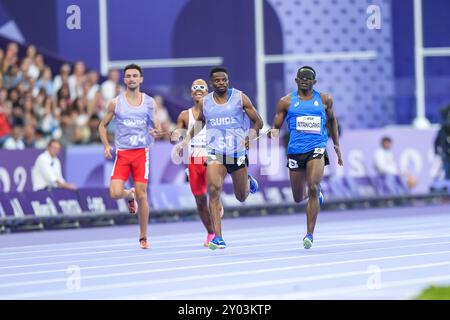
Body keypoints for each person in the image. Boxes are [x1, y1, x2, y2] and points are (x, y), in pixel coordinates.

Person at [177, 67, 263, 250]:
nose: (221, 83)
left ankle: (247, 181)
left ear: (228, 80)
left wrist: (250, 137)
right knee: (213, 191)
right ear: (212, 83)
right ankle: (218, 237)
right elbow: (200, 123)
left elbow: (258, 122)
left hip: (237, 153)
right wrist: (185, 142)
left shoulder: (240, 97)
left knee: (241, 196)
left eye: (224, 80)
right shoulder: (206, 102)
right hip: (215, 153)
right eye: (217, 80)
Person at [268, 66, 343, 249]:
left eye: (308, 78)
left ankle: (309, 234)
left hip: (317, 147)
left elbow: (332, 120)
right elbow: (276, 124)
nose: (304, 80)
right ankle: (315, 196)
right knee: (297, 196)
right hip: (295, 150)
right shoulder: (285, 102)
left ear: (314, 82)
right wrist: (274, 132)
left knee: (313, 186)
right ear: (296, 80)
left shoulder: (325, 99)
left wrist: (336, 144)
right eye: (301, 78)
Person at [98, 64, 161, 249]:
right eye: (128, 76)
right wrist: (106, 145)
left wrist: (155, 130)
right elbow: (102, 126)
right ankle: (129, 194)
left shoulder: (149, 102)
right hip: (123, 154)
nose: (132, 79)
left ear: (141, 79)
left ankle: (143, 237)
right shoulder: (116, 103)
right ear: (124, 80)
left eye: (135, 76)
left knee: (143, 195)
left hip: (142, 153)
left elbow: (155, 123)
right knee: (115, 193)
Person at [171, 79, 223, 247]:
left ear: (207, 92)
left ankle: (217, 200)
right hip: (193, 160)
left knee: (212, 191)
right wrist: (170, 136)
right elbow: (176, 135)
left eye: (202, 87)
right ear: (191, 92)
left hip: (211, 157)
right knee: (200, 201)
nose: (198, 90)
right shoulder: (184, 115)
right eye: (195, 87)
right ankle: (210, 232)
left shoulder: (215, 111)